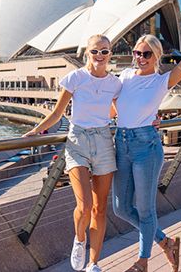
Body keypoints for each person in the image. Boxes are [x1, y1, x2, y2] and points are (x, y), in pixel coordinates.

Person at [112, 7, 181, 272]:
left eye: (146, 54)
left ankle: (142, 262)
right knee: (120, 208)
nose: (140, 57)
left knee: (145, 209)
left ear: (156, 56)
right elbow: (113, 107)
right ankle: (166, 242)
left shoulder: (162, 81)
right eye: (137, 53)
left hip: (146, 147)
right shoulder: (124, 77)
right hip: (121, 142)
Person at [23, 34, 121, 272]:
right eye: (95, 51)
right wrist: (36, 131)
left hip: (104, 141)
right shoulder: (75, 78)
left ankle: (94, 263)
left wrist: (151, 120)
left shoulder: (115, 83)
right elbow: (58, 114)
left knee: (100, 207)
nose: (100, 56)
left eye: (105, 51)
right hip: (77, 142)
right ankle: (79, 239)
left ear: (110, 54)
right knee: (85, 205)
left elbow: (120, 111)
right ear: (86, 53)